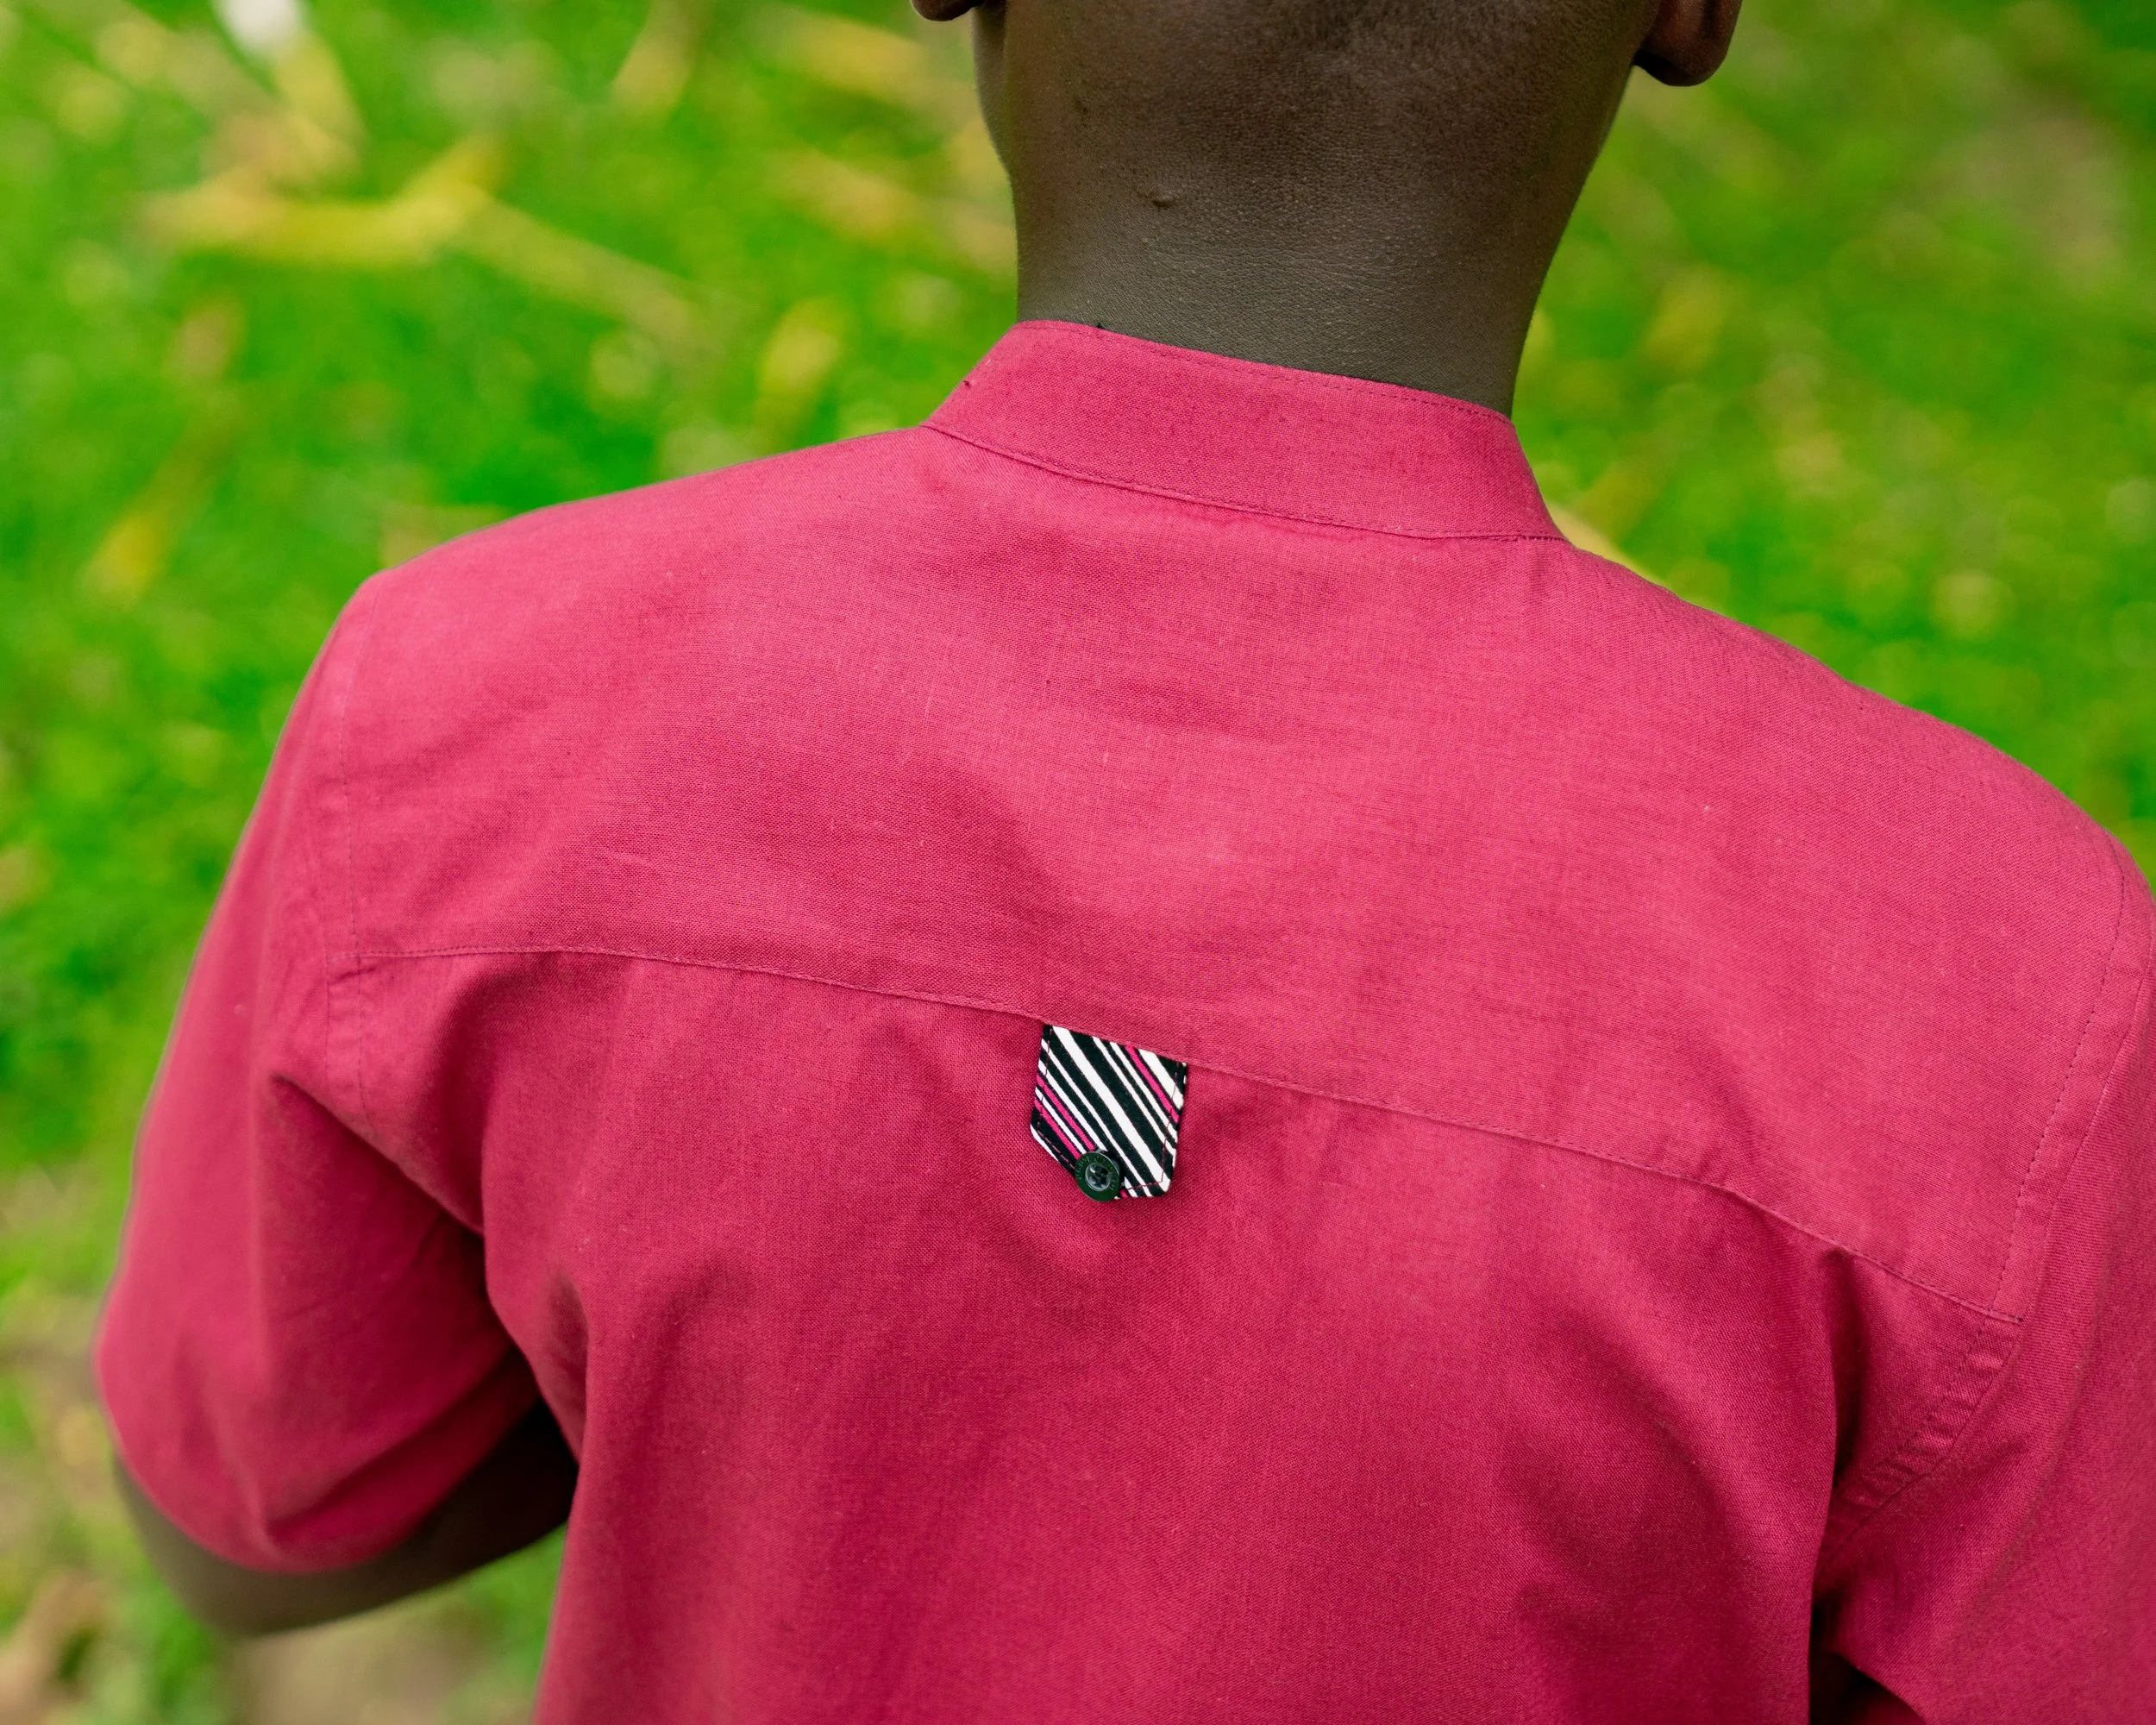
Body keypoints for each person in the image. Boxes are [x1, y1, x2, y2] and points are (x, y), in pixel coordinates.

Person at [96, 0, 2156, 1718]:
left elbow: (259, 1528)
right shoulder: (2011, 980)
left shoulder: (472, 712)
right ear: (1689, 15)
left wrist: (698, 1322)